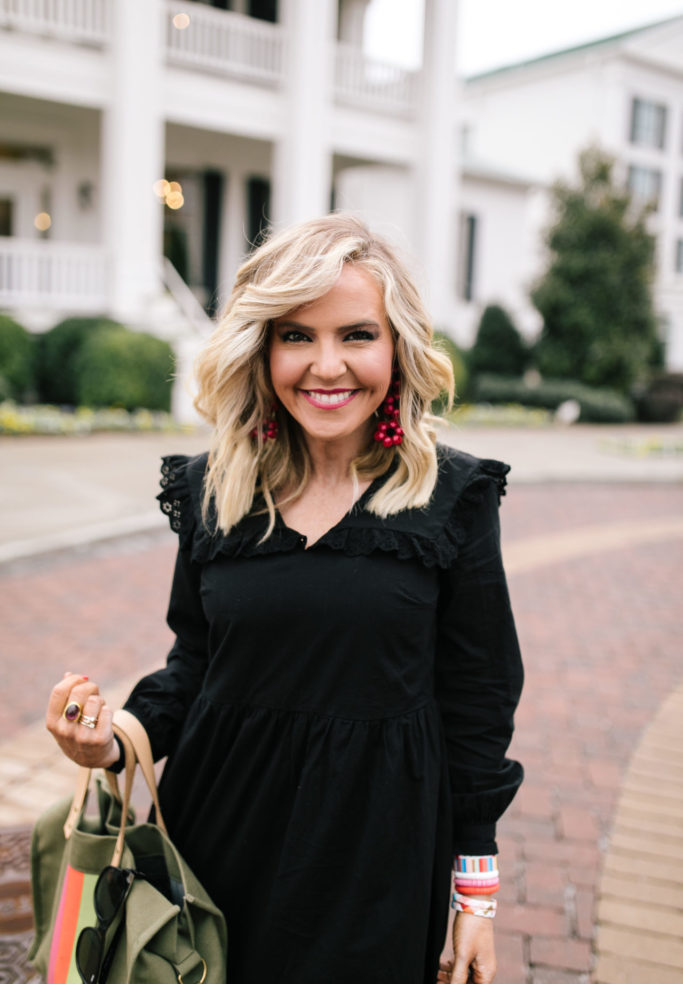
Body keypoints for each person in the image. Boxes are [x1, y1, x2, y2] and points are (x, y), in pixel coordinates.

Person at [47, 213, 524, 984]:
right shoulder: (213, 491)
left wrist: (476, 895)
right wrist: (111, 740)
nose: (325, 365)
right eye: (295, 335)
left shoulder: (453, 497)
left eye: (356, 335)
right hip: (216, 837)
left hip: (377, 855)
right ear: (261, 347)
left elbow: (477, 700)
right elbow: (197, 663)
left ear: (397, 346)